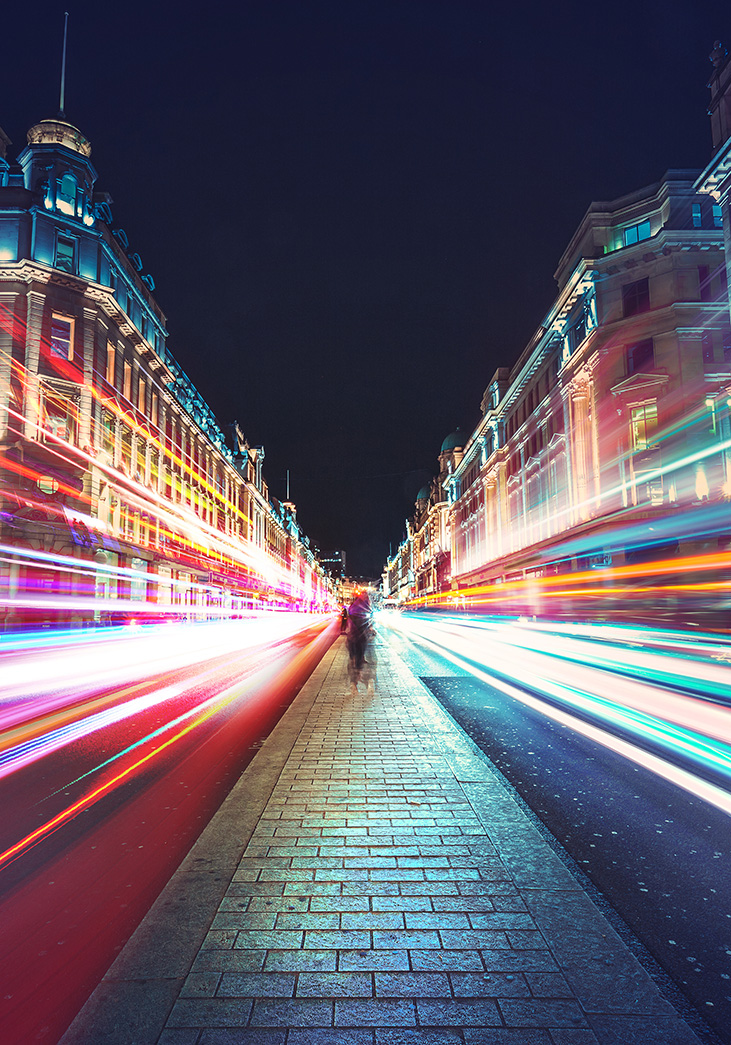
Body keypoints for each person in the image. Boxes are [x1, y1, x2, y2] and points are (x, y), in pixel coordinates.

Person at [346, 590, 376, 694]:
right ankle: (362, 683)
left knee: (355, 661)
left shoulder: (355, 606)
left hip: (354, 638)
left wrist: (370, 629)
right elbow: (364, 622)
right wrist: (368, 630)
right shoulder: (363, 607)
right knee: (360, 661)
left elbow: (366, 622)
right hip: (359, 638)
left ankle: (354, 684)